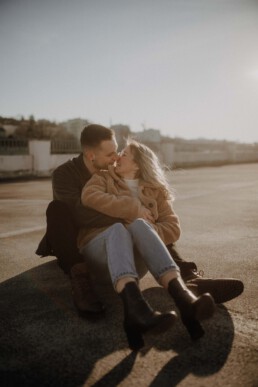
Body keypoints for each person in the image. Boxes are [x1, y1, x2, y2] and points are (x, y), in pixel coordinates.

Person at [36, 124, 243, 318]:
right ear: (91, 156)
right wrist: (131, 215)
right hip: (78, 239)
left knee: (146, 223)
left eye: (118, 151)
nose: (116, 157)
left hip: (123, 239)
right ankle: (80, 280)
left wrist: (142, 224)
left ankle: (188, 279)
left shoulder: (117, 175)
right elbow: (78, 214)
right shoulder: (68, 174)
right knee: (58, 210)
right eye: (110, 154)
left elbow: (165, 224)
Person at [78, 139, 216, 349]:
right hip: (100, 252)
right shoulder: (103, 177)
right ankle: (142, 308)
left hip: (135, 262)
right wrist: (133, 210)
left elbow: (172, 228)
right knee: (119, 229)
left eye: (124, 154)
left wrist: (142, 229)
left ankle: (183, 302)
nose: (117, 157)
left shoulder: (156, 191)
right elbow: (89, 196)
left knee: (141, 226)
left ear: (138, 164)